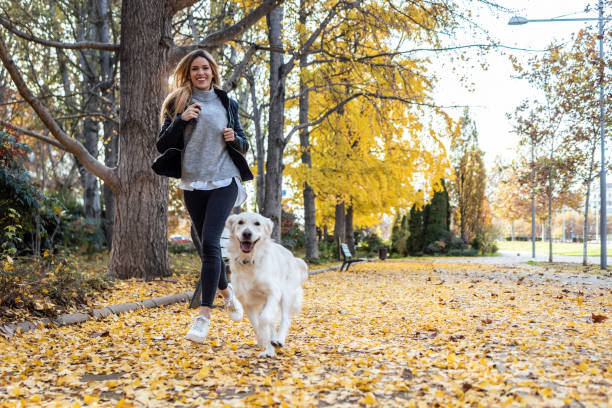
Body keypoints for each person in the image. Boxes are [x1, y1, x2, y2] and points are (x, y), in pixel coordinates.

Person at [153, 49, 253, 344]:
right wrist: (181, 120)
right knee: (205, 246)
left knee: (210, 242)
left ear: (213, 71)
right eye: (195, 68)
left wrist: (236, 139)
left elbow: (244, 143)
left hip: (225, 181)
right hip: (193, 184)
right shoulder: (177, 102)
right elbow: (162, 144)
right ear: (188, 72)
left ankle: (203, 318)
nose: (201, 73)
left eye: (205, 68)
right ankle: (227, 293)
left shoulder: (227, 102)